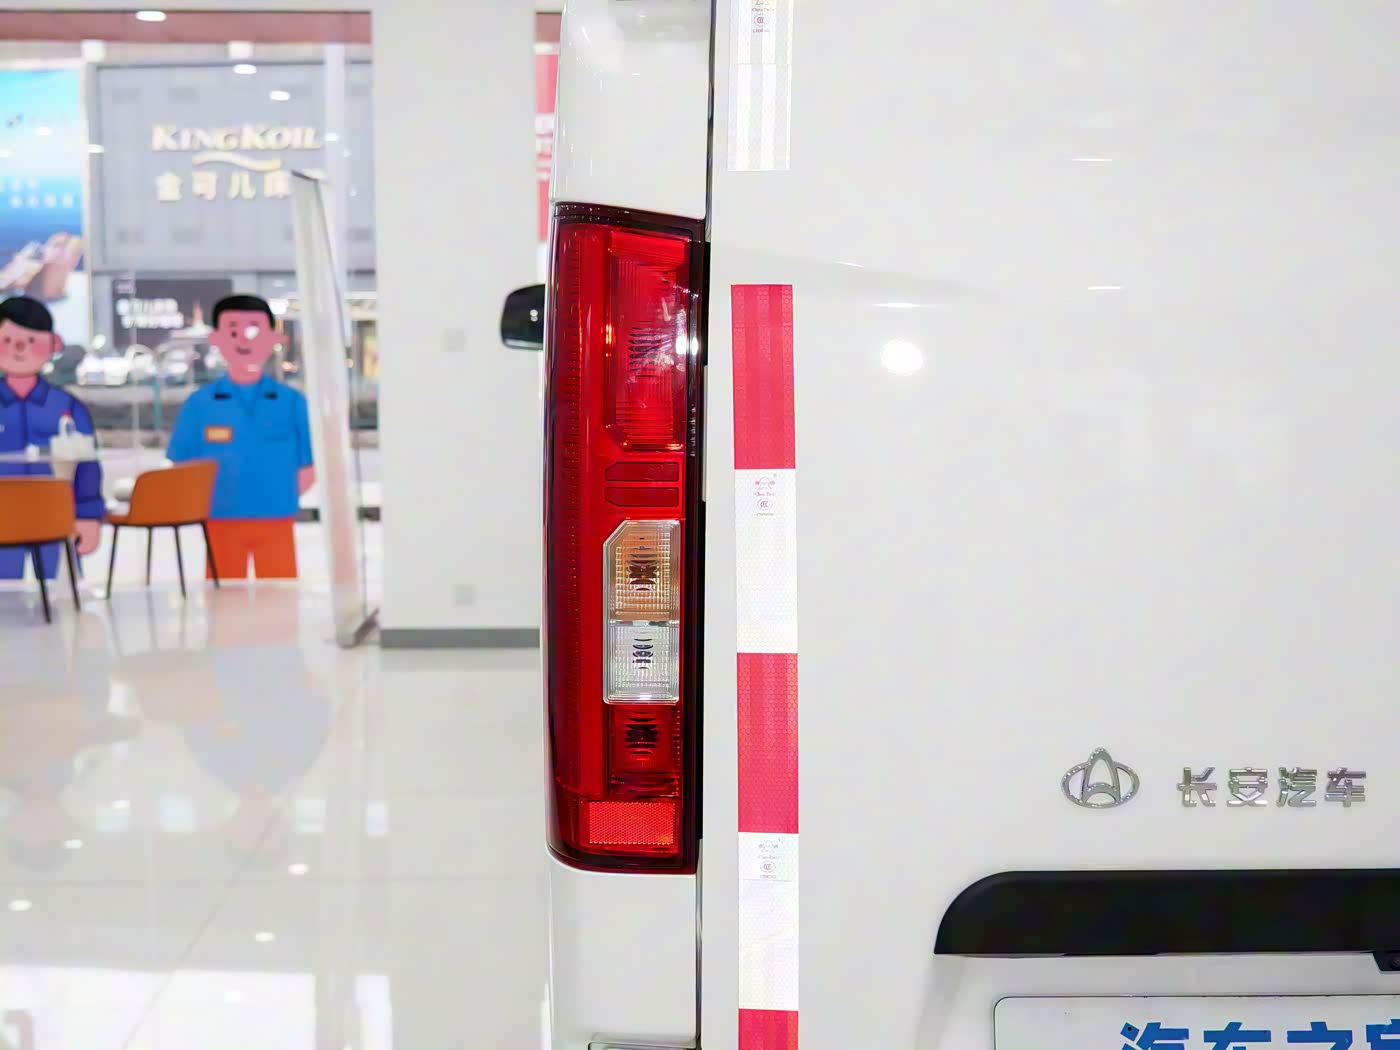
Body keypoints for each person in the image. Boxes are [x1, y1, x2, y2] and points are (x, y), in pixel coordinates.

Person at [167, 294, 314, 579]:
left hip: (276, 519)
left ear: (274, 338)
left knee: (279, 595)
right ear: (216, 339)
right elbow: (181, 463)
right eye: (233, 331)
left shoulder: (292, 403)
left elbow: (309, 465)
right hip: (220, 518)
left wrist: (275, 494)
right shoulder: (200, 405)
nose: (244, 340)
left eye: (254, 330)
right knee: (222, 596)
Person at [0, 295, 103, 579]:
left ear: (54, 344)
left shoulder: (67, 407)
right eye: (7, 340)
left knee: (59, 591)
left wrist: (88, 516)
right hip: (2, 518)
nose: (19, 349)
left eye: (31, 341)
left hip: (56, 516)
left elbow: (87, 465)